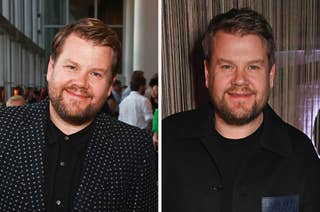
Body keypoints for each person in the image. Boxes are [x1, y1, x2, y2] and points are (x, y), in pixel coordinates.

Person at [163, 8, 320, 212]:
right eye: (227, 66)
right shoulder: (168, 140)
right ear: (207, 73)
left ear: (271, 75)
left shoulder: (301, 155)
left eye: (253, 67)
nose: (239, 80)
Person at [0, 18, 157, 211]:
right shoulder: (4, 127)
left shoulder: (134, 149)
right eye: (72, 67)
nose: (81, 83)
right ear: (51, 68)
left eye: (96, 74)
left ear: (109, 86)